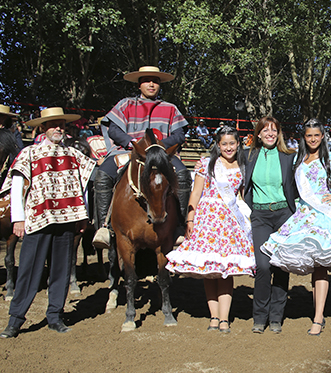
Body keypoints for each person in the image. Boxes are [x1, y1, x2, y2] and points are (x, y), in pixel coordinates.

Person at [261, 119, 331, 335]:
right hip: (303, 214)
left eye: (316, 135)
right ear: (304, 137)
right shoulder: (296, 158)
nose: (313, 139)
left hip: (325, 214)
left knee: (321, 266)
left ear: (322, 136)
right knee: (309, 265)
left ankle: (318, 317)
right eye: (308, 136)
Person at [0, 107, 96, 338]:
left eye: (61, 124)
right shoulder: (29, 154)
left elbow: (82, 187)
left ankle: (55, 316)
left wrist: (82, 216)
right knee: (29, 270)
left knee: (61, 270)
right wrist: (18, 218)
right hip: (38, 219)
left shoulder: (73, 154)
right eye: (53, 125)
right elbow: (17, 188)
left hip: (67, 219)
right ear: (42, 128)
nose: (58, 129)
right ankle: (16, 319)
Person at [165, 126, 254, 333]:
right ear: (218, 145)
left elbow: (240, 196)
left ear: (238, 144)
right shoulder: (205, 164)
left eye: (232, 143)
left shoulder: (242, 165)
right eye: (224, 144)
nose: (229, 147)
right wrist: (190, 219)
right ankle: (213, 317)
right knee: (209, 271)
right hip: (206, 221)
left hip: (229, 223)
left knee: (225, 271)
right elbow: (195, 193)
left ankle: (224, 318)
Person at [93, 66, 190, 249]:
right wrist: (132, 143)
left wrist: (160, 146)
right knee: (103, 175)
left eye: (156, 81)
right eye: (147, 81)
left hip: (162, 155)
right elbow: (113, 129)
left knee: (184, 174)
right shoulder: (125, 104)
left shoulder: (170, 108)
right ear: (139, 85)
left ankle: (179, 226)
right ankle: (104, 227)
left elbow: (179, 134)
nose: (152, 84)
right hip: (128, 151)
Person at [243, 116, 298, 334]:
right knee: (263, 266)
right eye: (265, 130)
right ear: (258, 134)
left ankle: (276, 317)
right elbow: (225, 161)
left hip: (284, 215)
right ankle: (259, 317)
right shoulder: (248, 156)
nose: (270, 134)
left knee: (281, 265)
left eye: (274, 130)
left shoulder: (288, 157)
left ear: (279, 133)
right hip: (260, 216)